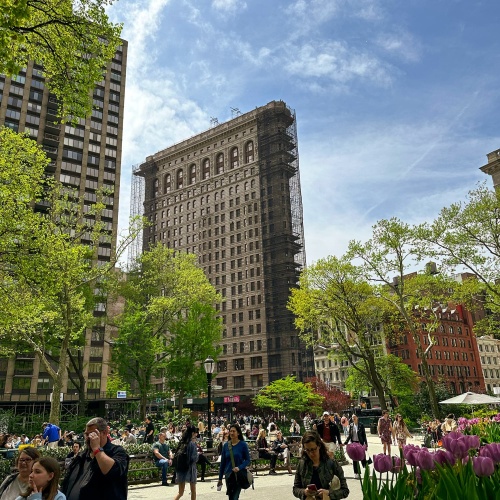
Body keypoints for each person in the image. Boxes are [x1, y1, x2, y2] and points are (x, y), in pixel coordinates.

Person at [61, 417, 129, 500]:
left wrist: (97, 449)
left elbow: (112, 471)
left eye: (92, 434)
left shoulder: (117, 452)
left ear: (104, 433)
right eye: (86, 434)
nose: (88, 437)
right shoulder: (82, 456)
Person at [293, 430, 349, 500]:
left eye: (313, 449)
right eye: (307, 450)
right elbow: (295, 489)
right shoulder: (302, 464)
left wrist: (328, 493)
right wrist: (304, 492)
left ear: (319, 446)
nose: (311, 453)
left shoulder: (332, 464)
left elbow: (345, 491)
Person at [217, 423, 251, 500]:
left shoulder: (243, 445)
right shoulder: (226, 445)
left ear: (238, 433)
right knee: (231, 497)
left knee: (235, 497)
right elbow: (223, 463)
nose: (231, 433)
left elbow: (248, 460)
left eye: (234, 431)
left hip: (238, 475)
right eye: (230, 431)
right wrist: (220, 478)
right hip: (228, 475)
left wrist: (239, 467)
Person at [173, 426, 198, 500]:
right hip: (191, 469)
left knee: (180, 492)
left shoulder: (181, 443)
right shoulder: (192, 444)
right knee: (193, 491)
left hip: (180, 469)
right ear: (193, 433)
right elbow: (194, 458)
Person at [344, 414, 368, 479]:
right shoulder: (351, 425)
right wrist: (345, 442)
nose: (353, 418)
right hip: (354, 444)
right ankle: (356, 472)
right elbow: (349, 435)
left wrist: (366, 444)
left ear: (357, 418)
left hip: (360, 443)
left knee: (363, 457)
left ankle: (366, 469)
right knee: (354, 458)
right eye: (352, 417)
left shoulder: (361, 425)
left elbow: (364, 435)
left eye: (354, 417)